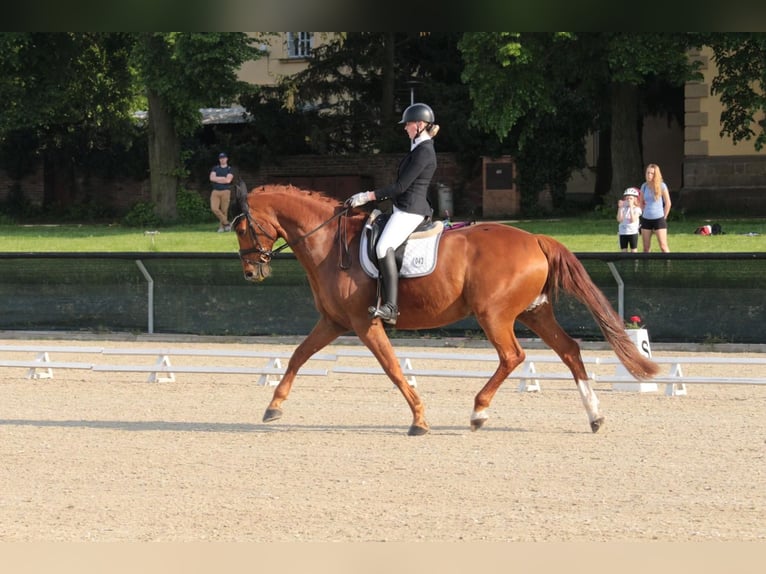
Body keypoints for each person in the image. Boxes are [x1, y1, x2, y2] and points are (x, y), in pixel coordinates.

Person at [344, 102, 440, 325]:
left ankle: (391, 307)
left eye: (407, 124)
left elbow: (400, 187)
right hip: (403, 208)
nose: (405, 128)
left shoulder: (424, 152)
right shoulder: (417, 148)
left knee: (382, 247)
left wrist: (367, 196)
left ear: (419, 125)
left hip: (410, 211)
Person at [638, 163, 671, 252]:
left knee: (663, 246)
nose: (649, 175)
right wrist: (642, 212)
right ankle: (645, 265)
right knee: (646, 248)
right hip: (646, 219)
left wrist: (664, 216)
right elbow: (640, 202)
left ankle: (669, 265)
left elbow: (668, 203)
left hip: (659, 219)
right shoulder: (644, 186)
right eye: (648, 173)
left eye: (652, 173)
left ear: (656, 174)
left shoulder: (662, 185)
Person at [209, 152, 234, 232]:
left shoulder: (230, 169)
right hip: (215, 191)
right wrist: (223, 178)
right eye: (221, 158)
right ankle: (227, 223)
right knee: (214, 208)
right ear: (219, 160)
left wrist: (218, 179)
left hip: (225, 191)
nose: (222, 159)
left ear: (226, 159)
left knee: (224, 210)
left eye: (224, 158)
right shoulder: (215, 168)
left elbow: (228, 180)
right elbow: (212, 178)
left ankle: (221, 228)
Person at [617, 187, 642, 252]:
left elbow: (632, 220)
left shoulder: (637, 209)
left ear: (635, 199)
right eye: (627, 198)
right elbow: (619, 220)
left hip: (633, 232)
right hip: (623, 232)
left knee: (633, 250)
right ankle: (625, 262)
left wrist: (631, 207)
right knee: (623, 250)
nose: (629, 200)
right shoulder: (623, 208)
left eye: (631, 198)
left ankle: (635, 262)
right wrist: (620, 208)